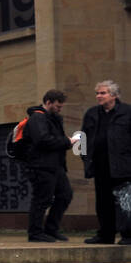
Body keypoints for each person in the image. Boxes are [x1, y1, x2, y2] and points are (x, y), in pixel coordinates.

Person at [22, 88, 79, 242]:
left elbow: (53, 139)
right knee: (42, 199)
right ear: (48, 102)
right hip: (40, 166)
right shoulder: (37, 118)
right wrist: (67, 141)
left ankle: (51, 229)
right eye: (58, 106)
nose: (60, 109)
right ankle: (35, 233)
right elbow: (42, 140)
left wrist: (65, 141)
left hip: (55, 166)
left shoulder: (53, 118)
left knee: (65, 195)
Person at [80, 81, 131, 244]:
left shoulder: (127, 112)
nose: (98, 96)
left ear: (114, 95)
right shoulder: (92, 113)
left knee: (125, 201)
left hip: (123, 165)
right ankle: (105, 235)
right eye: (97, 93)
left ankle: (128, 235)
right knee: (103, 202)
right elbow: (83, 137)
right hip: (100, 165)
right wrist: (85, 157)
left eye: (102, 93)